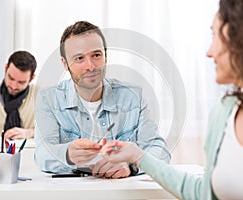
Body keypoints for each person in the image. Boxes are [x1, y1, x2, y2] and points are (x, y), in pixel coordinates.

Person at [102, 0, 243, 199]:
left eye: (215, 36)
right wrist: (137, 155)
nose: (209, 52)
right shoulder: (225, 112)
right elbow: (203, 193)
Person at [34, 21, 170, 178]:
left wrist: (130, 165)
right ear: (65, 63)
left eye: (96, 55)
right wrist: (67, 155)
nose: (90, 66)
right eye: (79, 58)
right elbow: (41, 154)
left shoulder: (133, 97)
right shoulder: (48, 99)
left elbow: (160, 150)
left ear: (106, 56)